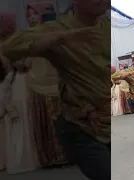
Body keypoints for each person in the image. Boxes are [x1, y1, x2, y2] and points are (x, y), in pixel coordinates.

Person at [0, 0, 111, 179]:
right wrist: (59, 39)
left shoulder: (108, 27)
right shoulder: (58, 30)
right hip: (81, 127)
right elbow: (8, 48)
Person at [25, 3, 68, 167]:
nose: (32, 18)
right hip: (36, 83)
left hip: (54, 82)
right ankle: (49, 159)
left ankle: (65, 156)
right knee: (43, 121)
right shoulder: (27, 36)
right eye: (28, 16)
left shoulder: (54, 33)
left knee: (58, 120)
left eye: (35, 14)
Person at [0, 12, 39, 174]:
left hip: (12, 84)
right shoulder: (15, 41)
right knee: (22, 120)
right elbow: (22, 65)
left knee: (15, 122)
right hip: (18, 83)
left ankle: (17, 159)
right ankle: (25, 159)